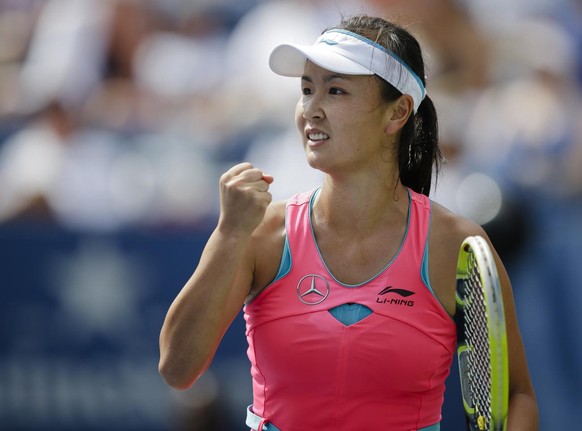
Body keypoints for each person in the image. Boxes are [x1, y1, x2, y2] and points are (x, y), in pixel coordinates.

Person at [158, 14, 538, 430]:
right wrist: (229, 234)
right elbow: (177, 369)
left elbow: (516, 396)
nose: (311, 110)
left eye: (335, 90)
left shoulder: (455, 245)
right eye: (307, 90)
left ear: (397, 114)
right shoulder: (257, 233)